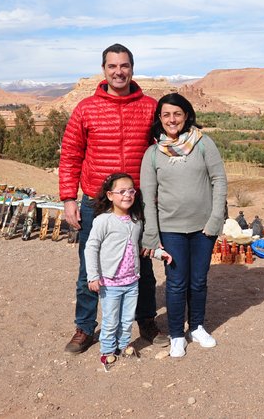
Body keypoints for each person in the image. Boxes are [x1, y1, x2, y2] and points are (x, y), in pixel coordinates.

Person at [58, 43, 166, 355]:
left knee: (142, 264)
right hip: (96, 201)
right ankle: (84, 326)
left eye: (124, 66)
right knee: (88, 266)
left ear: (132, 68)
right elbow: (70, 155)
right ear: (104, 70)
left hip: (138, 201)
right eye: (112, 66)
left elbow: (165, 148)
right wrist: (68, 198)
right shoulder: (86, 108)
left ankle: (145, 320)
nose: (119, 72)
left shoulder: (149, 107)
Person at [140, 93, 228, 358]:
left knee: (199, 281)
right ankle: (177, 333)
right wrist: (152, 233)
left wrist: (215, 219)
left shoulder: (203, 144)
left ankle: (197, 327)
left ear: (187, 115)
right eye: (166, 114)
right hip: (171, 229)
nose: (172, 119)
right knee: (177, 283)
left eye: (177, 113)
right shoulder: (153, 154)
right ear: (160, 118)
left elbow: (219, 181)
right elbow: (148, 197)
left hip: (203, 228)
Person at [84, 173, 172, 371]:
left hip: (132, 281)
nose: (127, 195)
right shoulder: (103, 221)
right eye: (121, 191)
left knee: (127, 318)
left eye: (131, 191)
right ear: (109, 195)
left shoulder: (136, 221)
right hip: (110, 282)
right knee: (110, 318)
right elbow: (91, 247)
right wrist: (93, 276)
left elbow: (141, 246)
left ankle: (124, 345)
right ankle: (107, 351)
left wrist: (160, 254)